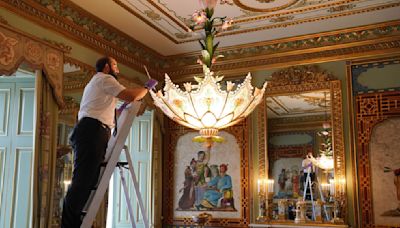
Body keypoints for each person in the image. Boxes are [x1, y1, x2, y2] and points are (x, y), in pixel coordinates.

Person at [61, 56, 156, 228]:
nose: (117, 69)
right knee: (83, 181)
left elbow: (106, 107)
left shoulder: (100, 83)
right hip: (91, 131)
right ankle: (69, 224)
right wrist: (146, 87)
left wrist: (117, 111)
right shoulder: (104, 78)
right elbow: (131, 96)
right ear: (106, 67)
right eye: (115, 65)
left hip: (92, 131)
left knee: (88, 180)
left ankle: (74, 222)